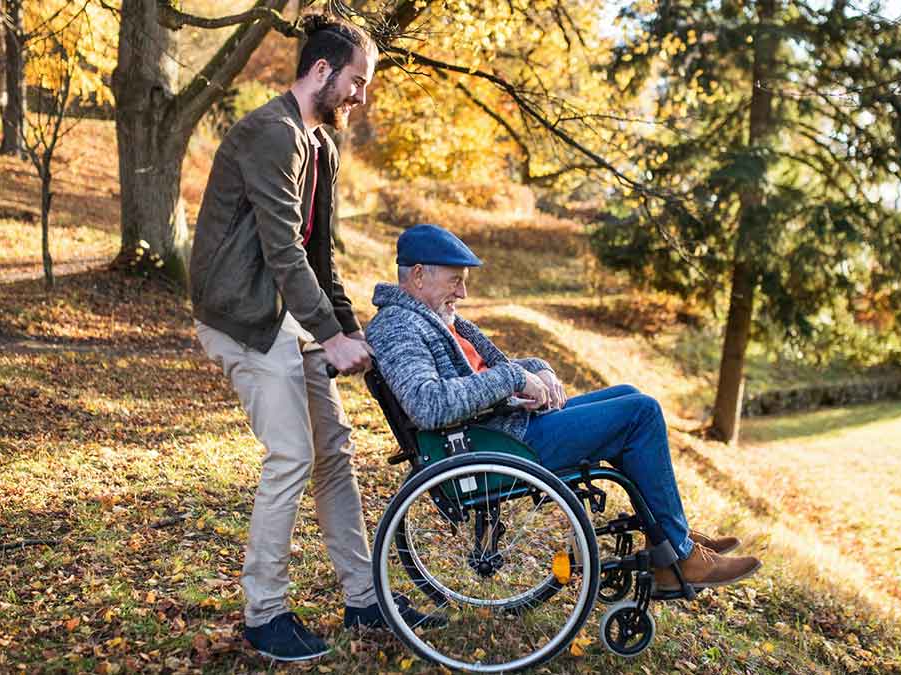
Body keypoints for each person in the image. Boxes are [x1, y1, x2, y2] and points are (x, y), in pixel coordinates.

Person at [188, 14, 439, 663]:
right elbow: (280, 253)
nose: (361, 96)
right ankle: (262, 613)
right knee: (293, 454)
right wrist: (329, 336)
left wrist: (350, 332)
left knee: (335, 449)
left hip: (287, 314)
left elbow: (319, 260)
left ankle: (364, 596)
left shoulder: (321, 145)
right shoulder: (270, 134)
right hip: (242, 315)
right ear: (322, 70)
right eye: (357, 81)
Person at [364, 224, 762, 593]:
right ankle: (679, 558)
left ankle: (672, 539)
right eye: (456, 282)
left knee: (627, 393)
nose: (463, 294)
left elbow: (493, 369)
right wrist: (516, 381)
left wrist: (539, 370)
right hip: (495, 445)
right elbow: (428, 405)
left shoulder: (434, 317)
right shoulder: (399, 326)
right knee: (641, 413)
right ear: (418, 276)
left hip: (506, 427)